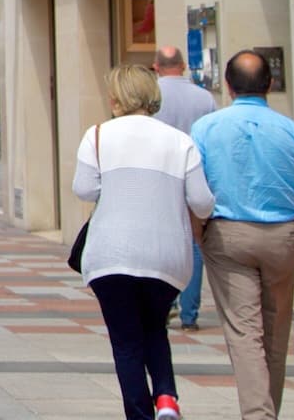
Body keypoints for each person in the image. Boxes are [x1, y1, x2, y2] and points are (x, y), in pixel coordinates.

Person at [191, 50, 294, 420]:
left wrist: (198, 237)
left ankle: (259, 415)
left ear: (227, 86)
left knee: (245, 333)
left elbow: (195, 192)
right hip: (283, 238)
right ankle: (267, 410)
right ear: (269, 85)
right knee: (274, 332)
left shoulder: (205, 129)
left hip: (228, 237)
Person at [74, 64, 213, 420]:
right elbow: (202, 201)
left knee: (125, 342)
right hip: (165, 255)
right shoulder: (180, 140)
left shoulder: (98, 136)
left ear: (117, 97)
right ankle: (166, 397)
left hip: (110, 254)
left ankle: (141, 414)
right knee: (154, 325)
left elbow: (84, 189)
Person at [151, 46, 218, 331]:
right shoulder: (205, 98)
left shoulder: (151, 96)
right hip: (195, 176)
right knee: (194, 242)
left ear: (156, 66)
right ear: (184, 65)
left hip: (160, 179)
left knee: (161, 243)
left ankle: (166, 303)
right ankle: (190, 313)